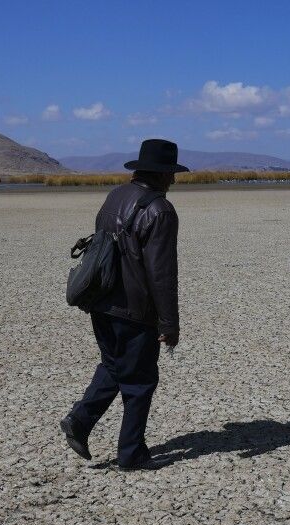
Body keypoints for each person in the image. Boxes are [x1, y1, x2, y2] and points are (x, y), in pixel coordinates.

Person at [60, 139, 189, 470]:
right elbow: (161, 275)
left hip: (101, 300)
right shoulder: (160, 210)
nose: (173, 181)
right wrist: (169, 324)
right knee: (140, 380)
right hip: (135, 310)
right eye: (171, 174)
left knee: (115, 366)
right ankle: (131, 454)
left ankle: (80, 420)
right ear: (161, 174)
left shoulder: (116, 196)